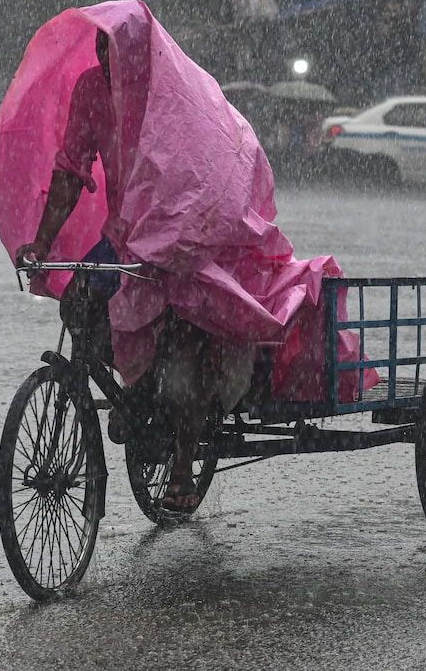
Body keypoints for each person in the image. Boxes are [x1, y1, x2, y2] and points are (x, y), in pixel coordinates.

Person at [14, 30, 254, 511]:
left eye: (117, 50)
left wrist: (175, 236)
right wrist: (41, 242)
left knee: (185, 333)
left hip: (183, 227)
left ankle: (183, 469)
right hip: (126, 234)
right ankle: (135, 392)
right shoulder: (90, 90)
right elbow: (71, 170)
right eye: (102, 48)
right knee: (79, 303)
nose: (107, 59)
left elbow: (200, 164)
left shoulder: (169, 90)